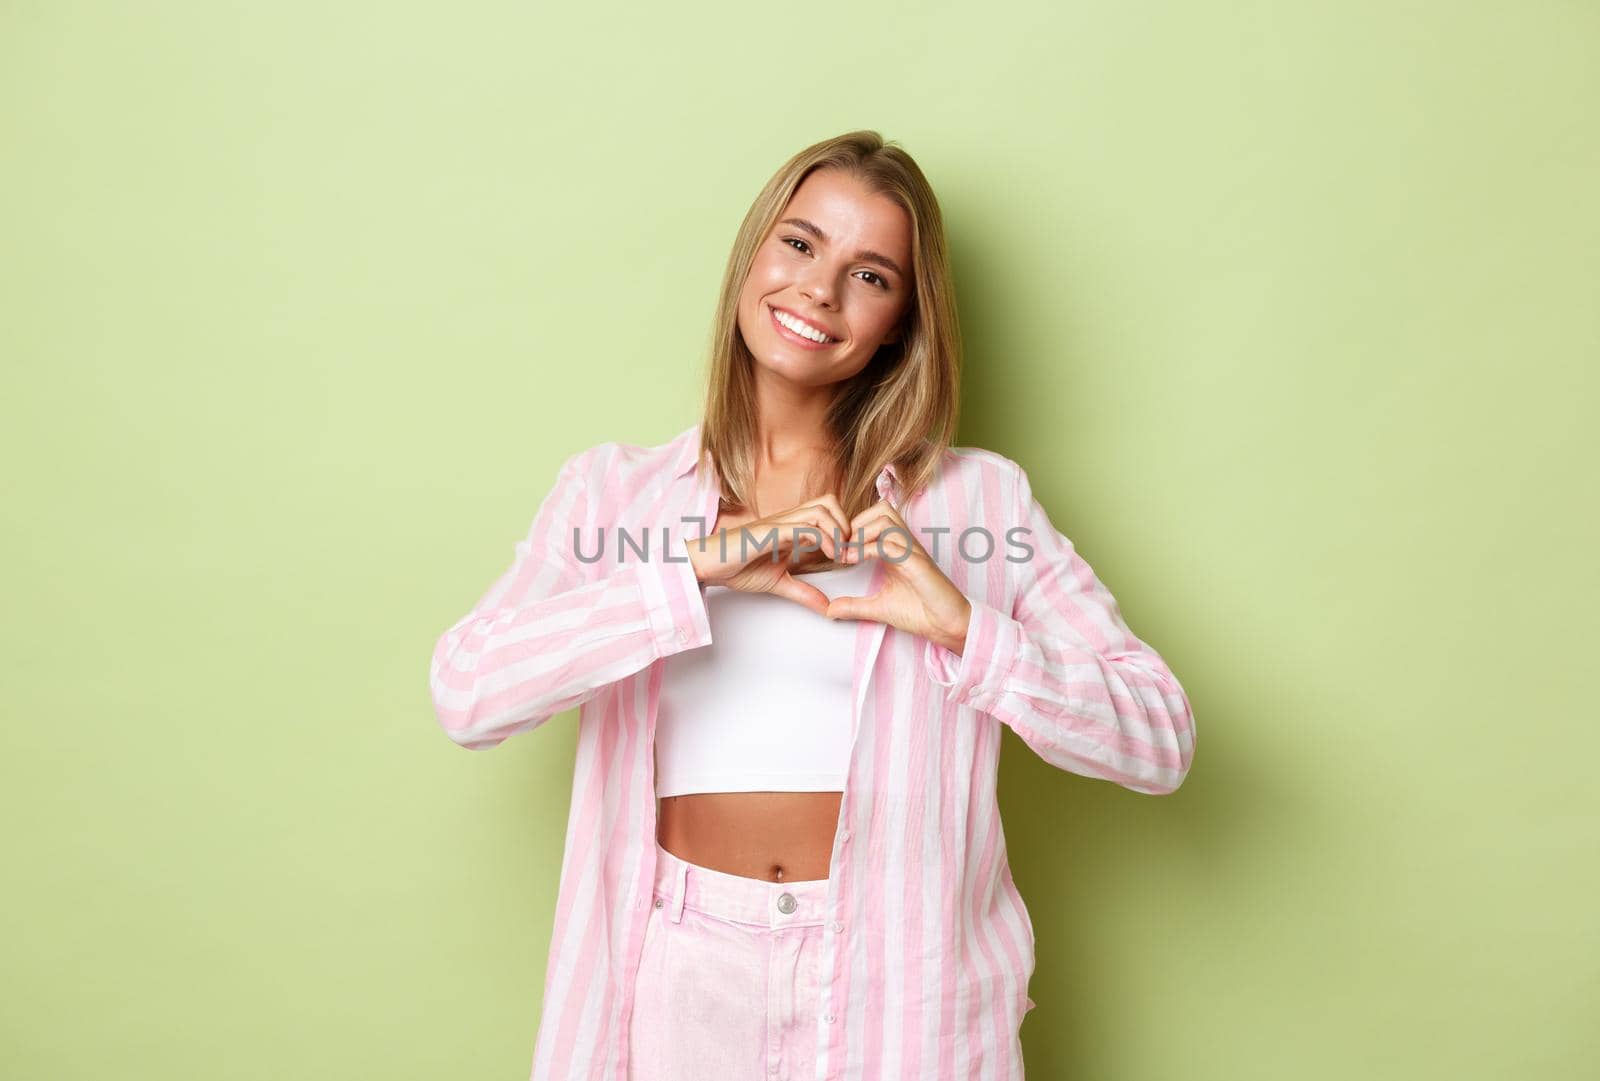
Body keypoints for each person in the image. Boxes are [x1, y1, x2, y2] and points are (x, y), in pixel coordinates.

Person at [428, 129, 1197, 1081]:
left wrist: (967, 628)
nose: (820, 291)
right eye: (799, 244)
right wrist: (694, 571)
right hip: (680, 970)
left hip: (898, 980)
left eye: (870, 275)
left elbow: (1160, 739)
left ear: (904, 325)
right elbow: (469, 691)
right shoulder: (613, 496)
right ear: (754, 255)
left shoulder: (979, 505)